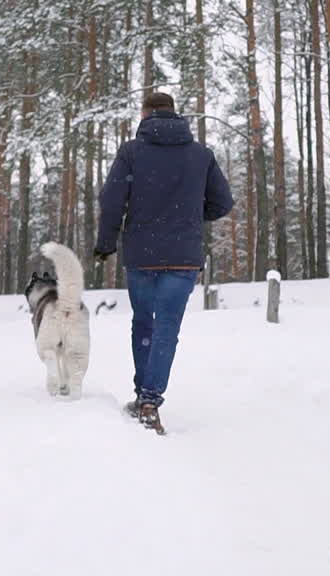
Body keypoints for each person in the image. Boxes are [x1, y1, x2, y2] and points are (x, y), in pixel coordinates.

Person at [94, 91, 234, 434]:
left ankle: (144, 393)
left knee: (144, 323)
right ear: (175, 114)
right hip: (183, 257)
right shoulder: (201, 154)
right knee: (167, 327)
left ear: (145, 115)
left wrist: (105, 244)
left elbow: (112, 201)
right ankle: (149, 398)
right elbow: (223, 203)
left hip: (142, 253)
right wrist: (189, 216)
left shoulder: (131, 152)